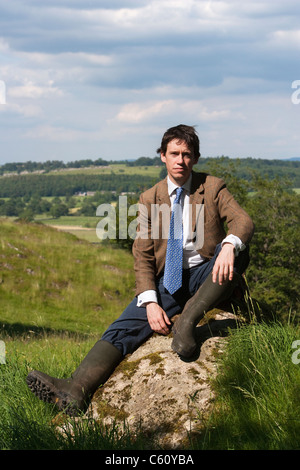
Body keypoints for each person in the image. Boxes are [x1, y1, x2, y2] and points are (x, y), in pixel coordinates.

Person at [26, 124, 254, 416]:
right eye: (174, 153)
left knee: (238, 252)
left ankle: (187, 324)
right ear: (162, 156)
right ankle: (76, 389)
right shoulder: (150, 198)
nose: (180, 160)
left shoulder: (211, 187)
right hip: (169, 280)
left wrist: (227, 246)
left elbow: (243, 222)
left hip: (206, 272)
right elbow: (142, 255)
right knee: (123, 326)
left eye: (187, 154)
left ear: (195, 158)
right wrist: (149, 301)